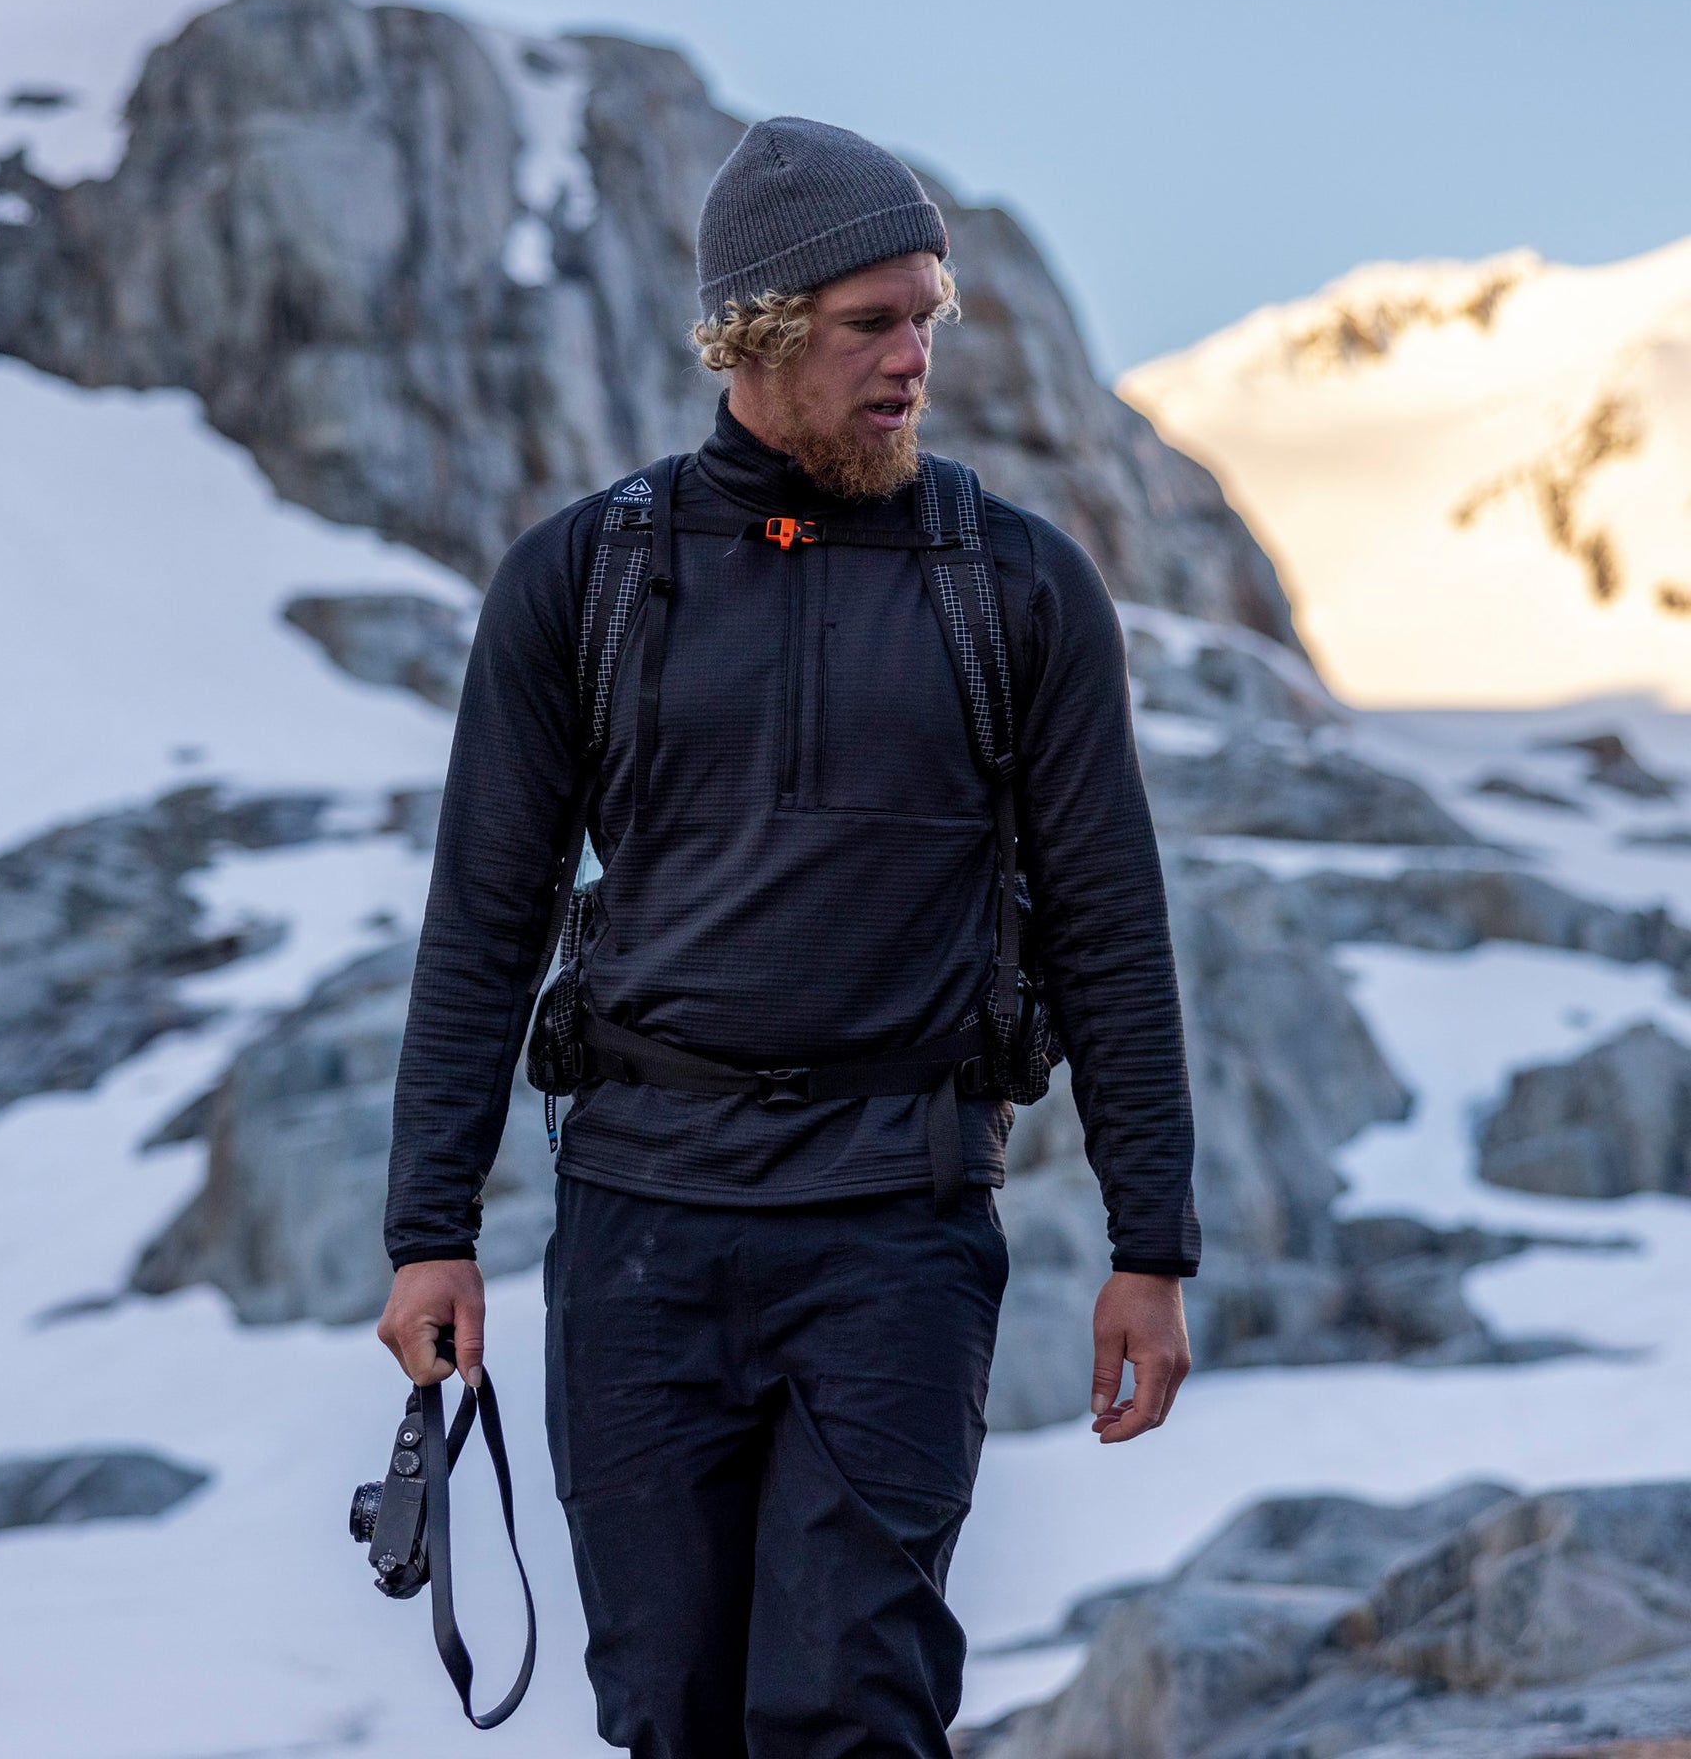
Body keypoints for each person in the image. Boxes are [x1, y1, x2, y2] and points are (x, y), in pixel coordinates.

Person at [376, 116, 1198, 1757]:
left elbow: (1108, 923)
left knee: (853, 1705)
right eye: (869, 325)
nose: (914, 361)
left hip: (898, 1232)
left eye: (927, 320)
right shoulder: (585, 579)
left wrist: (1151, 1245)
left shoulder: (1017, 586)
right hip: (641, 1229)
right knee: (668, 1712)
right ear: (752, 333)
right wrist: (428, 1228)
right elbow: (484, 919)